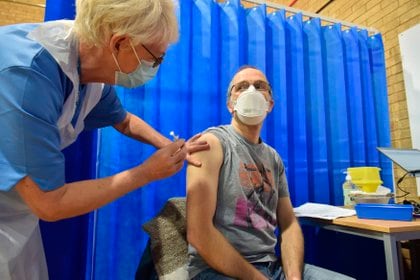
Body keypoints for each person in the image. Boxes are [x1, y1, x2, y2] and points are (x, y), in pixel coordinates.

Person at [0, 0, 209, 279]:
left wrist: (170, 145)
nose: (155, 67)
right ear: (120, 43)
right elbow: (50, 203)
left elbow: (123, 120)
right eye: (155, 58)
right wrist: (145, 173)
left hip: (17, 214)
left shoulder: (86, 68)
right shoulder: (27, 76)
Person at [186, 66, 355, 280]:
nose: (251, 92)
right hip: (214, 270)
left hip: (271, 267)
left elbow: (289, 223)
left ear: (270, 104)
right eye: (241, 87)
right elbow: (199, 233)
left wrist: (293, 277)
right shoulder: (211, 144)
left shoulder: (273, 158)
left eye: (259, 86)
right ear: (230, 104)